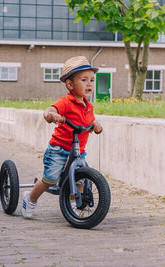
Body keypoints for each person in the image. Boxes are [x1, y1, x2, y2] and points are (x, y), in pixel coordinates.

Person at [21, 56, 103, 218]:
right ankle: (30, 199)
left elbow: (89, 120)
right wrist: (52, 115)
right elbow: (49, 111)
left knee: (80, 179)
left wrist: (96, 124)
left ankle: (73, 203)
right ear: (70, 84)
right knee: (50, 179)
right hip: (59, 149)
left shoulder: (88, 106)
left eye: (92, 80)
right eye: (84, 80)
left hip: (79, 151)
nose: (89, 84)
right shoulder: (65, 102)